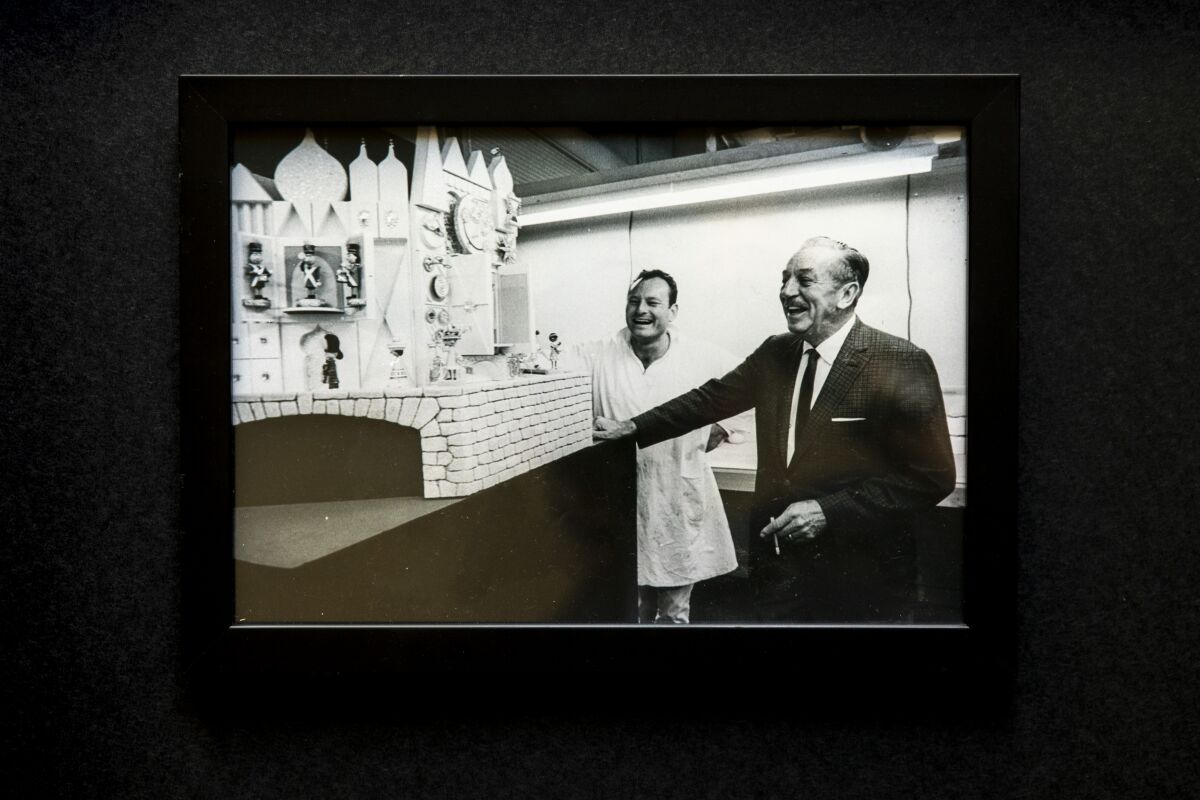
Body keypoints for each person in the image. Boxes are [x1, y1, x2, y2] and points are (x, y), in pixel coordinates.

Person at [595, 238, 956, 622]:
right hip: (778, 569)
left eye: (804, 280)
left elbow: (932, 477)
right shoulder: (776, 352)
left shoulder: (899, 360)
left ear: (847, 293)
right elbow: (708, 400)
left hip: (862, 576)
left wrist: (827, 511)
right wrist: (633, 427)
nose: (786, 292)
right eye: (784, 279)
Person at [572, 269, 738, 623]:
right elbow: (547, 368)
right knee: (626, 604)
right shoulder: (599, 353)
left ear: (672, 311)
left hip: (679, 492)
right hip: (619, 497)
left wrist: (718, 430)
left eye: (652, 302)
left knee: (675, 610)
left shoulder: (702, 356)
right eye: (634, 301)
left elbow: (747, 394)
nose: (641, 310)